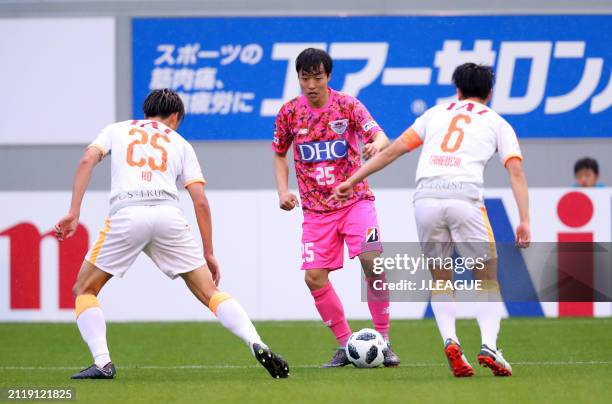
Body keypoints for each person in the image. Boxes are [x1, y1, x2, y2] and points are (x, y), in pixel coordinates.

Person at [55, 89, 289, 380]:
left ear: (146, 112)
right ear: (175, 117)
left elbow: (86, 160)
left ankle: (103, 362)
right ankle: (256, 341)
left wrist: (74, 212)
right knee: (209, 292)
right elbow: (200, 200)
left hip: (127, 213)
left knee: (84, 289)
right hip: (168, 215)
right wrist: (209, 252)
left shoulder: (117, 130)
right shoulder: (180, 143)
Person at [333, 63, 531, 377]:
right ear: (489, 93)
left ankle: (451, 341)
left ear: (457, 90)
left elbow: (392, 150)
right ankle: (489, 345)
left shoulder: (436, 114)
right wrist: (524, 220)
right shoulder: (497, 122)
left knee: (441, 279)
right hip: (464, 198)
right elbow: (515, 170)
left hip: (425, 199)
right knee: (487, 279)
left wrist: (352, 179)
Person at [272, 48, 400, 367]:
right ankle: (347, 345)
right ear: (298, 78)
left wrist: (374, 145)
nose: (311, 84)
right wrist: (283, 191)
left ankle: (383, 342)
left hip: (356, 202)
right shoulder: (289, 113)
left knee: (374, 263)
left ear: (328, 77)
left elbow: (381, 137)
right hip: (316, 212)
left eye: (317, 77)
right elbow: (278, 152)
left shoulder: (348, 105)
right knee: (314, 277)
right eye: (305, 78)